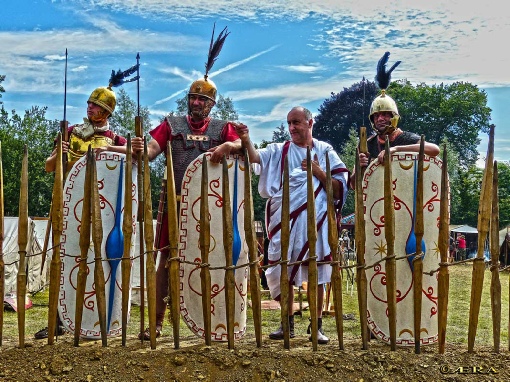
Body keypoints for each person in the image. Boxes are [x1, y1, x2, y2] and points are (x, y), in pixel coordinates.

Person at [132, 28, 242, 340]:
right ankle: (155, 323)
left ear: (211, 105)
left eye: (202, 100)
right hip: (175, 202)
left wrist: (226, 147)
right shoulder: (173, 124)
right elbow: (153, 149)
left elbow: (239, 147)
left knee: (212, 256)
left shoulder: (223, 128)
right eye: (193, 98)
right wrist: (141, 148)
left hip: (210, 207)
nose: (196, 103)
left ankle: (213, 320)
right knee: (166, 259)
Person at [235, 106, 349, 344]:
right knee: (282, 270)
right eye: (289, 123)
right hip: (284, 222)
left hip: (316, 224)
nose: (292, 127)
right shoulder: (280, 150)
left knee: (316, 272)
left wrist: (317, 171)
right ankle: (286, 324)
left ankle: (316, 327)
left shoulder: (325, 150)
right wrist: (246, 140)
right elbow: (256, 158)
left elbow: (339, 190)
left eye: (296, 122)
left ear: (310, 122)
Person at [35, 84, 140, 339]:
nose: (89, 107)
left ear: (106, 111)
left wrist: (109, 150)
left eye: (95, 105)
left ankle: (94, 316)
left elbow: (136, 157)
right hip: (69, 205)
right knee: (63, 260)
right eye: (90, 104)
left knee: (99, 261)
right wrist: (58, 155)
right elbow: (50, 167)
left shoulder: (115, 139)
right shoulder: (71, 133)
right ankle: (59, 319)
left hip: (103, 212)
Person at [350, 52, 440, 188]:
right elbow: (353, 185)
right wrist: (358, 167)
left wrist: (396, 149)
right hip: (375, 202)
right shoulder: (366, 145)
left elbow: (434, 149)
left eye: (385, 114)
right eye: (377, 115)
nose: (380, 119)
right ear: (372, 119)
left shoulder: (406, 138)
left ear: (393, 117)